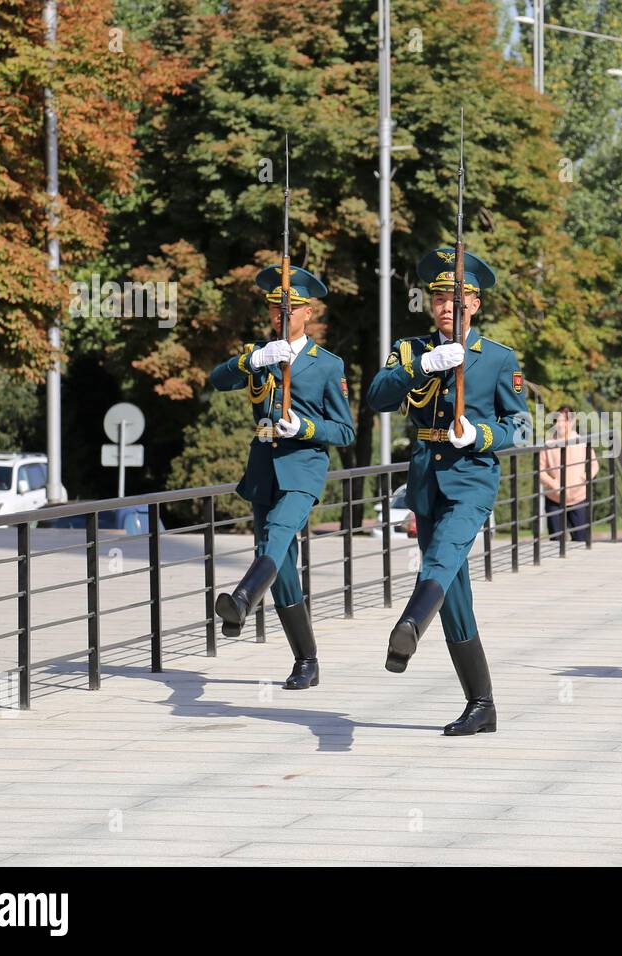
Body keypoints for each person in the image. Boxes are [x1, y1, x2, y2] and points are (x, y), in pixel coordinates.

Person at [365, 246, 530, 736]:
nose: (445, 307)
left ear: (474, 305)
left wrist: (479, 436)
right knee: (455, 595)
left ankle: (410, 624)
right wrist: (425, 364)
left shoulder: (498, 358)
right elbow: (378, 397)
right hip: (425, 478)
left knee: (443, 555)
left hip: (472, 477)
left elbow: (520, 427)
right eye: (438, 298)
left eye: (456, 300)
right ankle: (482, 704)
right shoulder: (412, 350)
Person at [208, 265, 356, 690]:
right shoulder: (260, 355)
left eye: (289, 308)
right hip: (263, 470)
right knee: (283, 567)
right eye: (275, 308)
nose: (281, 315)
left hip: (303, 470)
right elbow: (218, 380)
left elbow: (344, 430)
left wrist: (306, 429)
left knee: (275, 536)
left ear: (307, 313)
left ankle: (241, 599)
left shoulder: (326, 365)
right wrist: (253, 359)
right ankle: (306, 660)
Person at [538, 406, 598, 543]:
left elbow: (594, 465)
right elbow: (540, 470)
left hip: (579, 498)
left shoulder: (582, 442)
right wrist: (553, 484)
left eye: (564, 421)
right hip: (554, 498)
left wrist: (582, 479)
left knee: (581, 541)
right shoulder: (548, 444)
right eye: (557, 421)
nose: (560, 424)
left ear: (572, 422)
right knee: (555, 541)